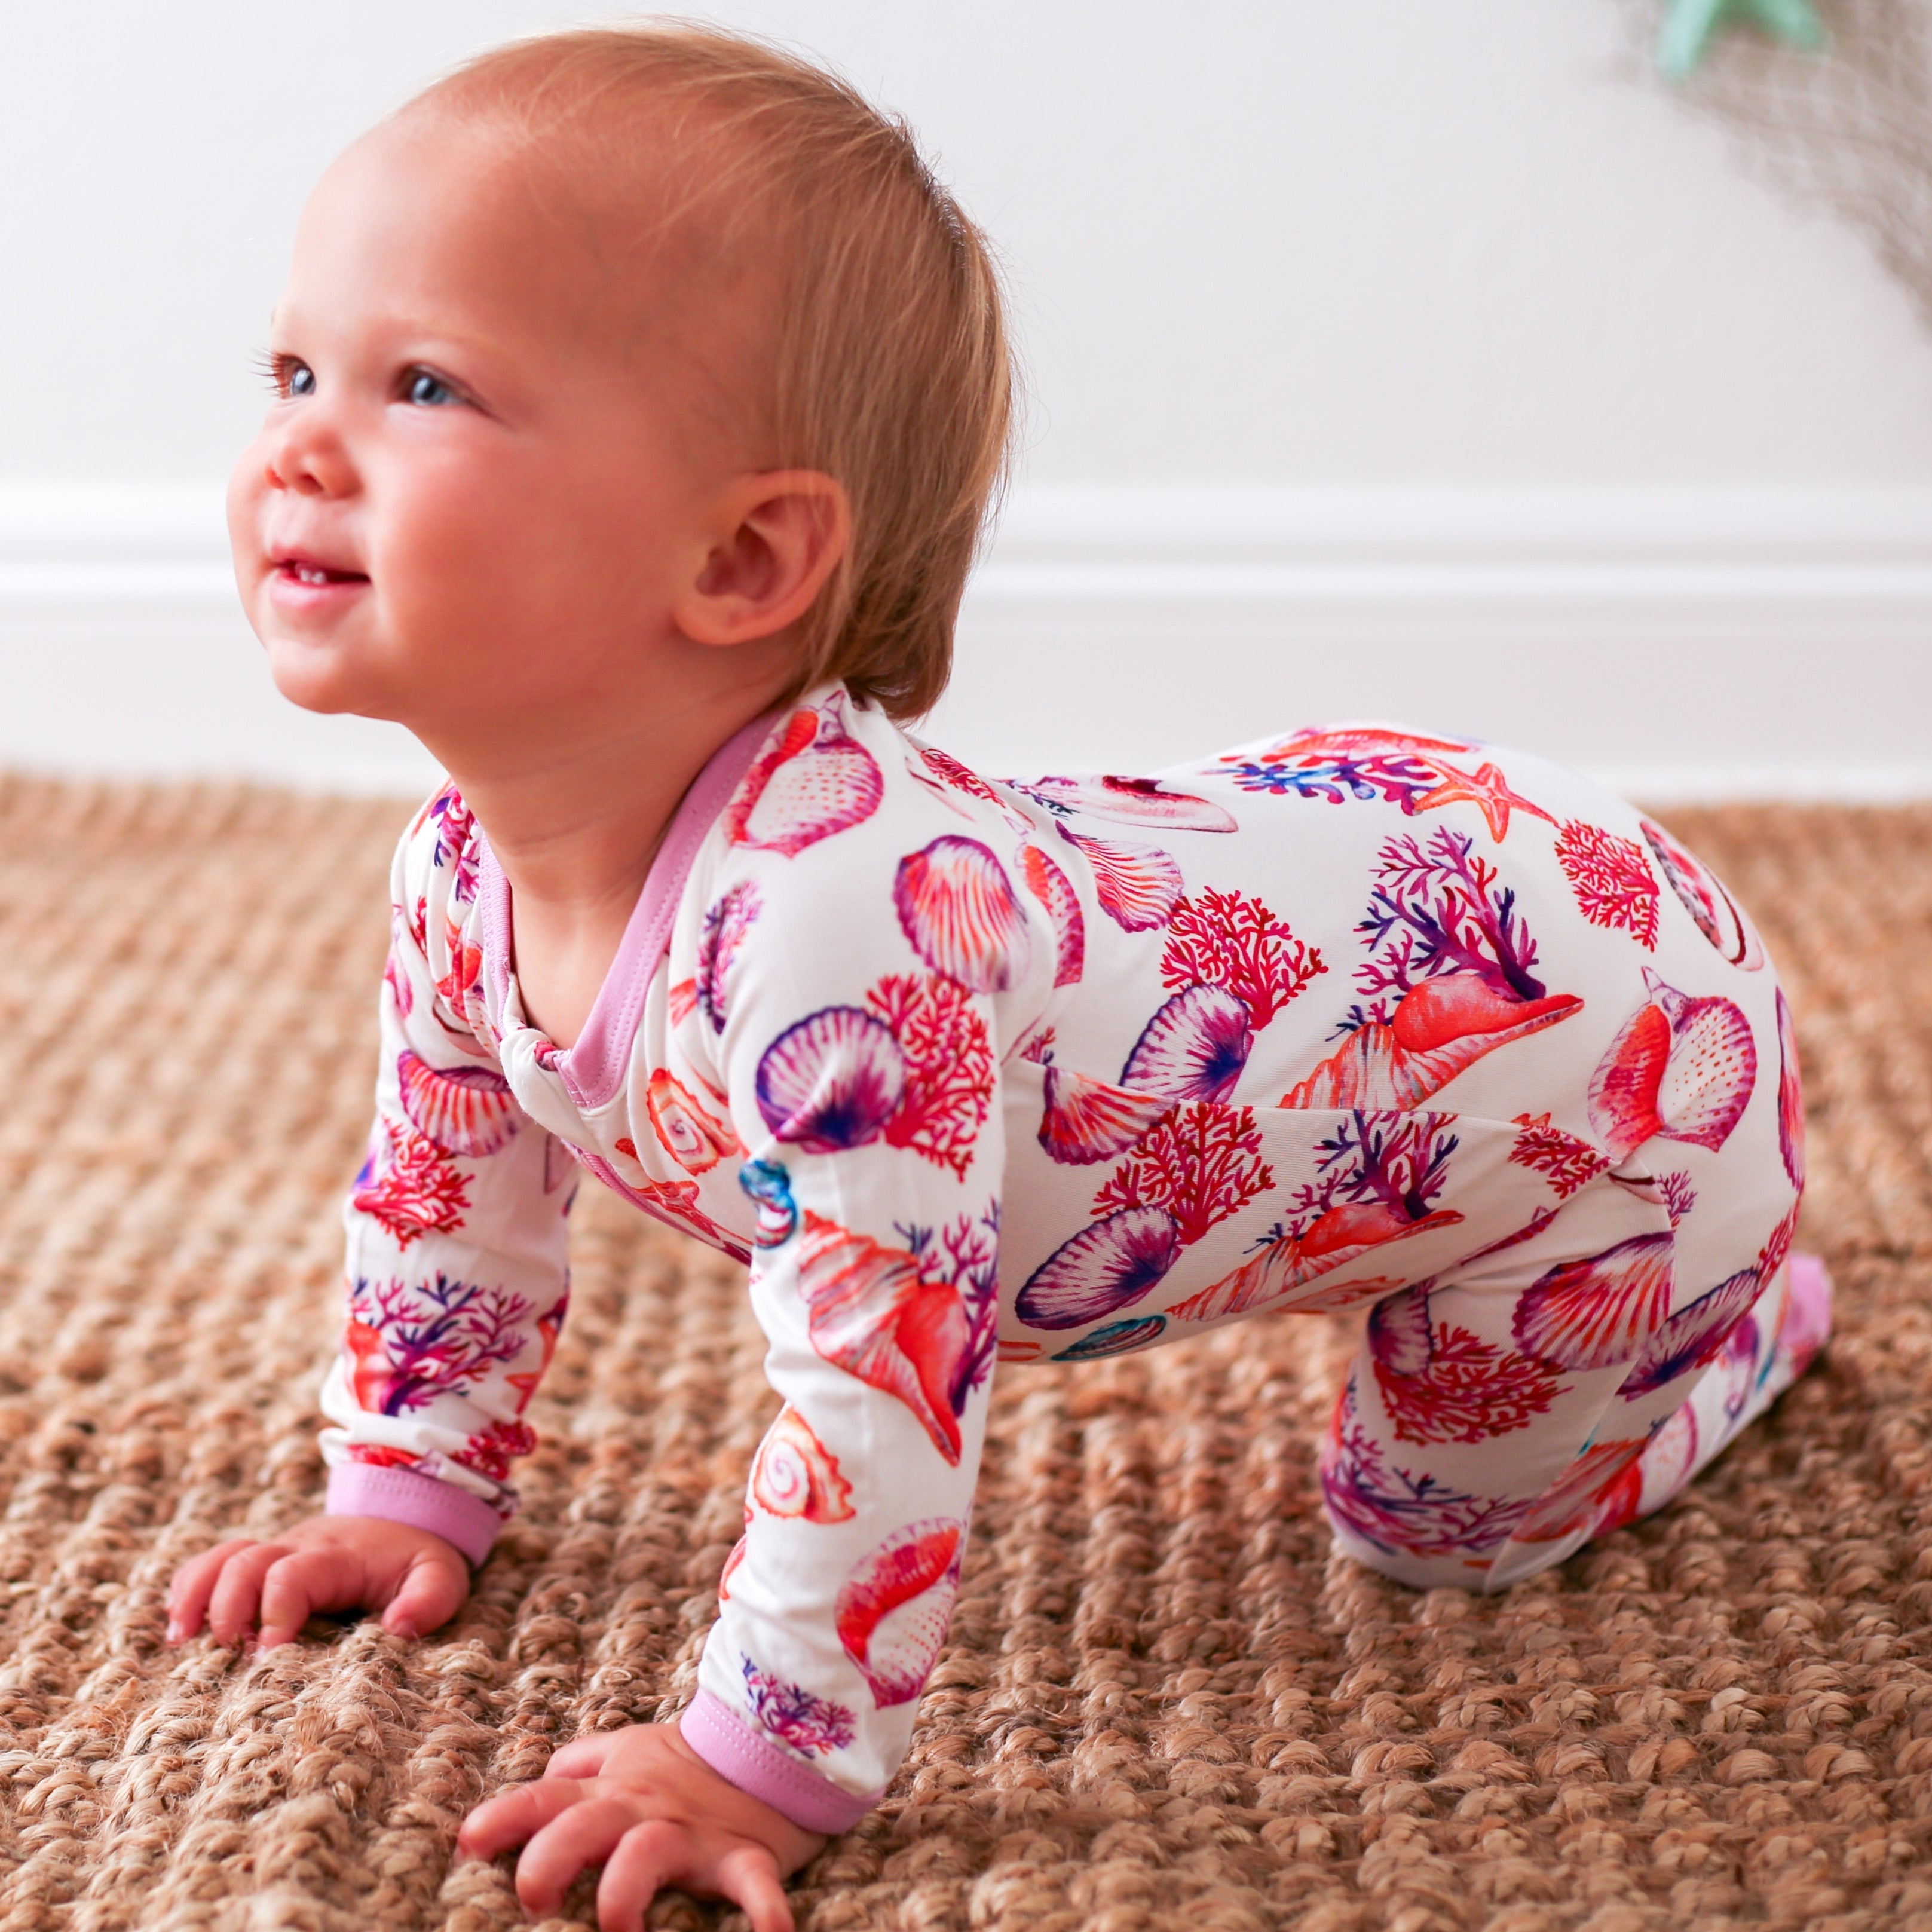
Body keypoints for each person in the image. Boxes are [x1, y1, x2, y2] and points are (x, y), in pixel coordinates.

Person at [163, 24, 1830, 1932]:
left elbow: (885, 1382)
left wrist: (754, 1752)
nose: (295, 440)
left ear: (743, 555)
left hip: (1611, 1048)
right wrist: (405, 1483)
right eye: (295, 368)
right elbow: (447, 1192)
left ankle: (1745, 1323)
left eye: (423, 384)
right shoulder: (459, 868)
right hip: (1395, 890)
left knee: (1435, 1534)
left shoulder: (831, 937)